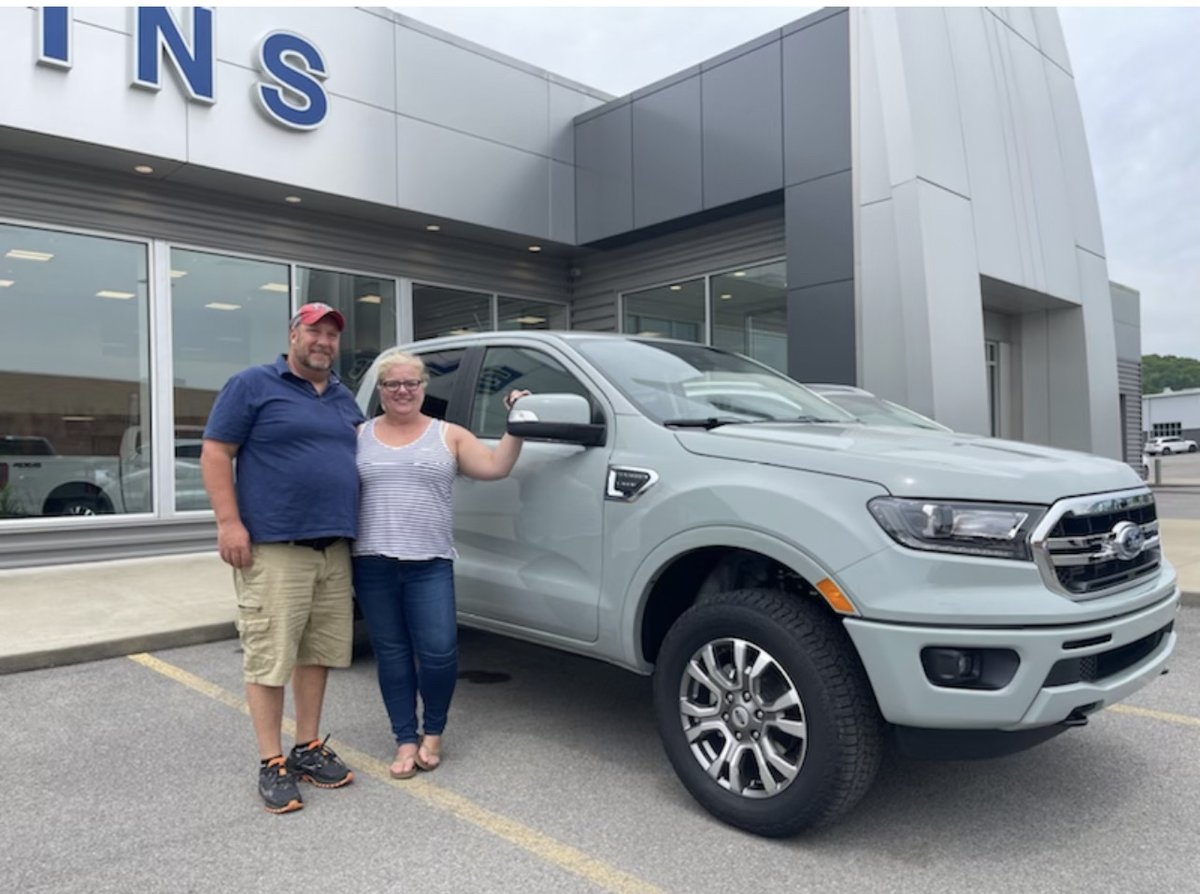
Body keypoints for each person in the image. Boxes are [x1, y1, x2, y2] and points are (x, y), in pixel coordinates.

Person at [201, 301, 365, 814]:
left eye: (332, 335)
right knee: (270, 654)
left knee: (316, 652)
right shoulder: (252, 384)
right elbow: (215, 452)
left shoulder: (342, 397)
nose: (324, 342)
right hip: (275, 548)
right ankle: (271, 761)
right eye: (314, 332)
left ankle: (308, 746)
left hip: (333, 548)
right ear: (293, 334)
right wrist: (229, 523)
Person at [352, 349, 529, 779]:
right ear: (381, 390)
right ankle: (405, 739)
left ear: (423, 388)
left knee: (439, 653)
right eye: (392, 383)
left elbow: (495, 466)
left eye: (411, 383)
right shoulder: (358, 435)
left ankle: (433, 731)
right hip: (372, 561)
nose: (402, 391)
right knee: (392, 655)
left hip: (429, 561)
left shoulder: (447, 434)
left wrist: (518, 423)